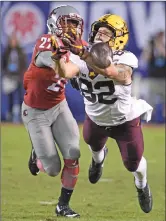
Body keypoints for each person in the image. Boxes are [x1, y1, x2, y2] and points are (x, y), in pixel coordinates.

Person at [51, 14, 153, 213]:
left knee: (133, 164)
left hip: (124, 120)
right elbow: (64, 72)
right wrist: (57, 57)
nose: (100, 35)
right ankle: (99, 160)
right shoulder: (80, 55)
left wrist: (84, 55)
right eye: (99, 31)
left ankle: (142, 186)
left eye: (106, 33)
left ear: (118, 39)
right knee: (92, 142)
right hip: (96, 117)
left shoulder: (126, 58)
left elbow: (112, 72)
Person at [21, 5, 85, 218]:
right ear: (54, 24)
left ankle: (62, 206)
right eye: (66, 23)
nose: (71, 28)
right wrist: (71, 66)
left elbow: (95, 60)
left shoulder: (78, 46)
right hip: (36, 112)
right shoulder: (46, 42)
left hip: (59, 106)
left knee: (73, 152)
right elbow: (57, 66)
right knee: (52, 168)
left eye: (75, 24)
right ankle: (37, 152)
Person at [2, 33, 27, 123]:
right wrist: (5, 73)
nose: (13, 42)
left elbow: (24, 64)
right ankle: (9, 115)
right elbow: (3, 64)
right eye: (11, 41)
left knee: (20, 96)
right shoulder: (7, 52)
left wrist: (22, 73)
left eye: (14, 41)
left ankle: (21, 115)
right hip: (9, 76)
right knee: (10, 97)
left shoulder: (21, 52)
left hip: (18, 77)